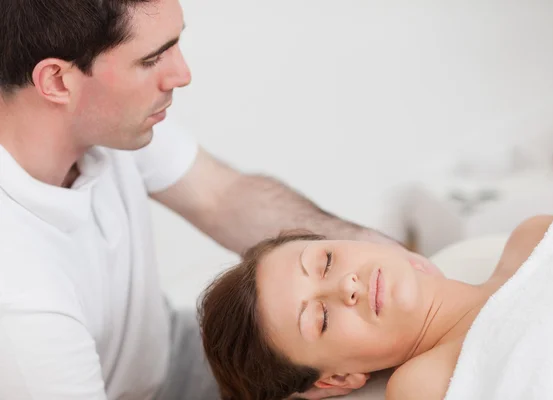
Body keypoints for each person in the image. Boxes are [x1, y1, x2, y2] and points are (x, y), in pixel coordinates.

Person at [0, 0, 414, 399]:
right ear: (56, 82)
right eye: (151, 60)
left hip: (182, 361)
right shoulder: (20, 302)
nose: (181, 74)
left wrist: (388, 257)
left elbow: (223, 197)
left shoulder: (105, 124)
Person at [199, 214, 553, 399]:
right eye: (321, 318)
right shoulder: (423, 385)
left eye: (326, 262)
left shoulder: (535, 235)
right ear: (338, 379)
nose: (346, 286)